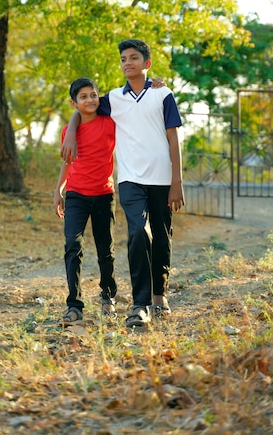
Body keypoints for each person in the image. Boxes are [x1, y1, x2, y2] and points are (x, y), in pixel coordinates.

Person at [61, 39, 184, 328]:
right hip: (130, 179)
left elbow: (173, 138)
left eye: (133, 58)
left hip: (162, 178)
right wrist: (70, 130)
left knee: (162, 236)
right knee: (139, 232)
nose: (127, 62)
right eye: (123, 59)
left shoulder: (162, 94)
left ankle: (159, 296)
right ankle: (139, 305)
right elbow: (84, 104)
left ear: (146, 63)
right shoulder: (114, 97)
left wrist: (177, 180)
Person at [53, 77, 117, 326]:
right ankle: (74, 305)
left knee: (105, 250)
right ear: (74, 103)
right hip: (77, 194)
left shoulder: (110, 123)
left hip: (103, 194)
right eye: (83, 96)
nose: (90, 99)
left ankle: (108, 297)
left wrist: (154, 83)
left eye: (93, 94)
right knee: (72, 246)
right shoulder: (68, 132)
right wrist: (58, 190)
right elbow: (68, 162)